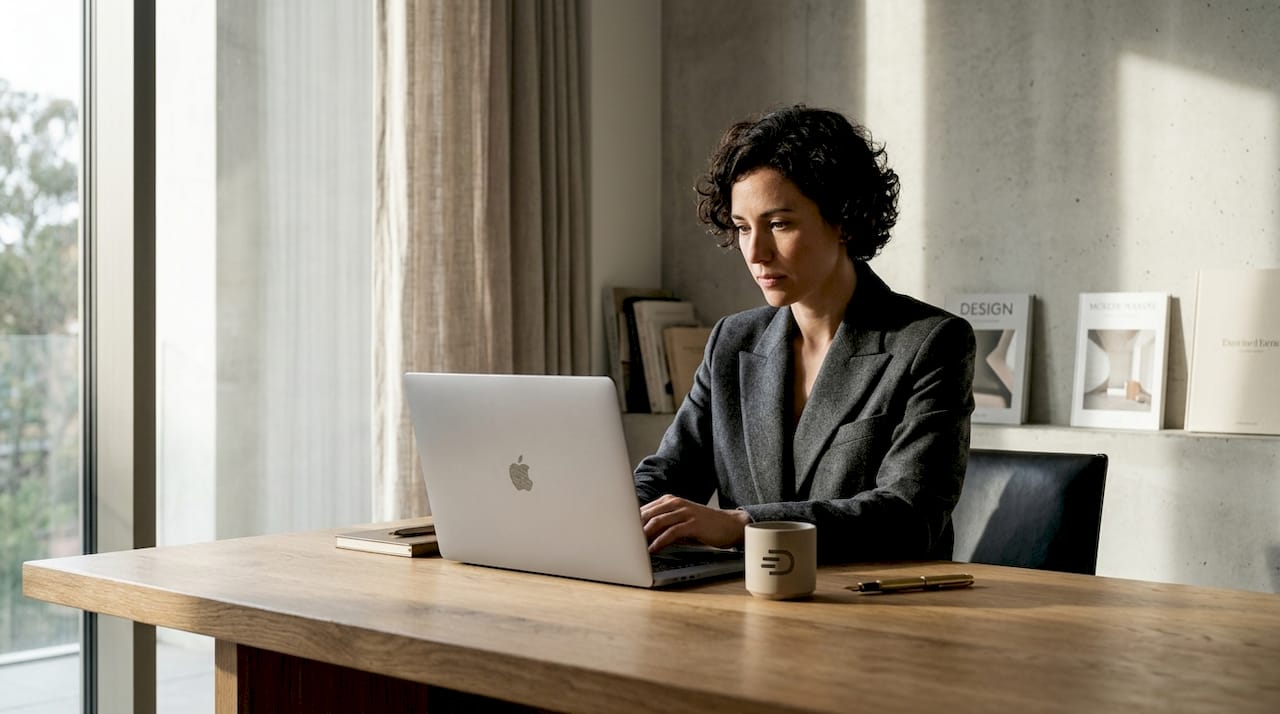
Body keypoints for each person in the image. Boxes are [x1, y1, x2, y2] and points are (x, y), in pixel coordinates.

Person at [634, 105, 975, 562]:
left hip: (876, 610)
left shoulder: (930, 342)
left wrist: (744, 524)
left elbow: (909, 515)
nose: (756, 252)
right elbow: (668, 475)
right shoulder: (733, 341)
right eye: (742, 228)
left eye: (779, 224)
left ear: (843, 219)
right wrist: (612, 516)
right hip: (748, 602)